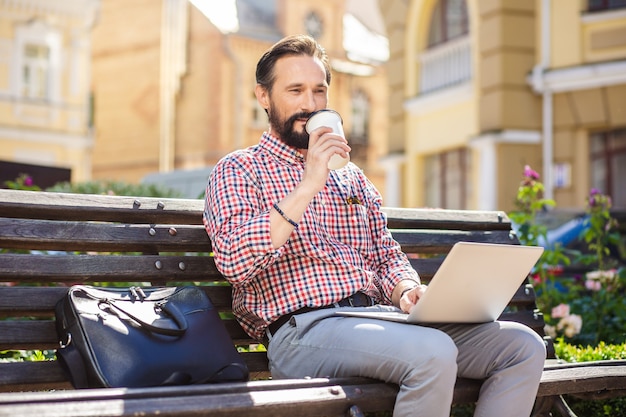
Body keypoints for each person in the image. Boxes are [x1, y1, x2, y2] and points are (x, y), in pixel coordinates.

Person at [203, 34, 546, 417]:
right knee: (432, 353)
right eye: (295, 90)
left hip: (382, 320)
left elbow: (386, 255)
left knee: (522, 346)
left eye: (319, 91)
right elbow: (235, 262)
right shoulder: (239, 169)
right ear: (263, 96)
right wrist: (308, 184)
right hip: (304, 331)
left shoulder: (352, 177)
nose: (310, 104)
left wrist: (407, 289)